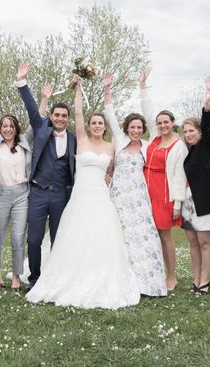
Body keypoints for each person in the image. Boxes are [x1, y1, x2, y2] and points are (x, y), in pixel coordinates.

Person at [26, 76, 140, 308]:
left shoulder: (111, 147)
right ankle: (54, 275)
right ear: (88, 126)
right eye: (94, 123)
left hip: (100, 198)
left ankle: (101, 275)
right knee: (73, 236)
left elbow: (113, 172)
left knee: (101, 237)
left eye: (100, 123)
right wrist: (79, 88)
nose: (97, 125)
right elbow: (77, 113)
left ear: (105, 127)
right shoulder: (81, 140)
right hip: (79, 197)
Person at [103, 73, 167, 297]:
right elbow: (110, 114)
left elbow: (153, 118)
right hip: (119, 195)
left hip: (140, 197)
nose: (136, 130)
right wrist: (108, 89)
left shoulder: (148, 146)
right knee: (121, 236)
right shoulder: (119, 140)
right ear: (127, 128)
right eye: (133, 127)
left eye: (139, 127)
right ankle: (123, 278)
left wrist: (142, 88)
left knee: (143, 237)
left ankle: (147, 282)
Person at [15, 63, 76, 291]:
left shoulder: (73, 139)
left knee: (59, 240)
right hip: (39, 193)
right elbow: (32, 108)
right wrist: (23, 82)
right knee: (34, 240)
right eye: (57, 114)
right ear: (51, 116)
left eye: (64, 116)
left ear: (68, 119)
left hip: (61, 195)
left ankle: (57, 277)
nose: (60, 118)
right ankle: (35, 278)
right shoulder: (42, 130)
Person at [0, 76, 32, 293]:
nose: (8, 129)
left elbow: (36, 118)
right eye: (4, 125)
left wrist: (42, 99)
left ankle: (16, 275)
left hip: (22, 194)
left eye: (11, 126)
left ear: (16, 128)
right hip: (0, 194)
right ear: (0, 128)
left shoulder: (24, 141)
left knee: (18, 236)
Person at [141, 68, 188, 291]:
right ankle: (150, 271)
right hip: (145, 192)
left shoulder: (178, 146)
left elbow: (180, 177)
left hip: (164, 194)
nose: (161, 125)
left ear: (173, 123)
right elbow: (148, 111)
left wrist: (178, 204)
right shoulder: (154, 138)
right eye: (159, 122)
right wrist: (143, 87)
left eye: (166, 122)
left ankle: (171, 275)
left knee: (164, 235)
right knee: (147, 234)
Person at [180, 80, 210, 295]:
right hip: (188, 203)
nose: (188, 134)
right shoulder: (188, 152)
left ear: (199, 132)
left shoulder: (207, 146)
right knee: (192, 244)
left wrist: (207, 104)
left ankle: (204, 281)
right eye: (185, 132)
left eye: (191, 131)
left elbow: (207, 125)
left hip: (204, 202)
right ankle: (196, 279)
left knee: (204, 243)